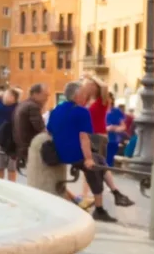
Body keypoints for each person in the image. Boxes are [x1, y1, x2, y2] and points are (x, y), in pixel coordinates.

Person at [45, 82, 117, 223]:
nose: (85, 96)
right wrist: (88, 158)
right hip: (73, 154)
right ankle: (99, 208)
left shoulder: (56, 109)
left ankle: (113, 192)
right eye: (83, 94)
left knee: (98, 160)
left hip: (58, 152)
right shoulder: (82, 112)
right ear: (77, 96)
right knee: (95, 165)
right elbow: (84, 137)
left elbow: (49, 130)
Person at [81, 79, 134, 208]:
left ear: (96, 87)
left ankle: (92, 196)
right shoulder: (87, 101)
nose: (87, 87)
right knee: (96, 166)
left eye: (90, 85)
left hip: (98, 137)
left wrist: (92, 76)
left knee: (95, 166)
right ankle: (110, 193)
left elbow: (104, 85)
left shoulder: (102, 101)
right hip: (89, 136)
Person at [11, 83, 48, 166]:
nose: (47, 98)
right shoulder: (33, 107)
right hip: (30, 148)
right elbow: (41, 128)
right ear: (35, 94)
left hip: (21, 147)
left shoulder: (23, 104)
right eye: (45, 95)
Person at [0, 88, 19, 182]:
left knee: (12, 169)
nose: (5, 97)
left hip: (13, 141)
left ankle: (12, 186)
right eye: (5, 95)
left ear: (14, 98)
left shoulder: (17, 107)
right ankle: (0, 186)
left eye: (8, 95)